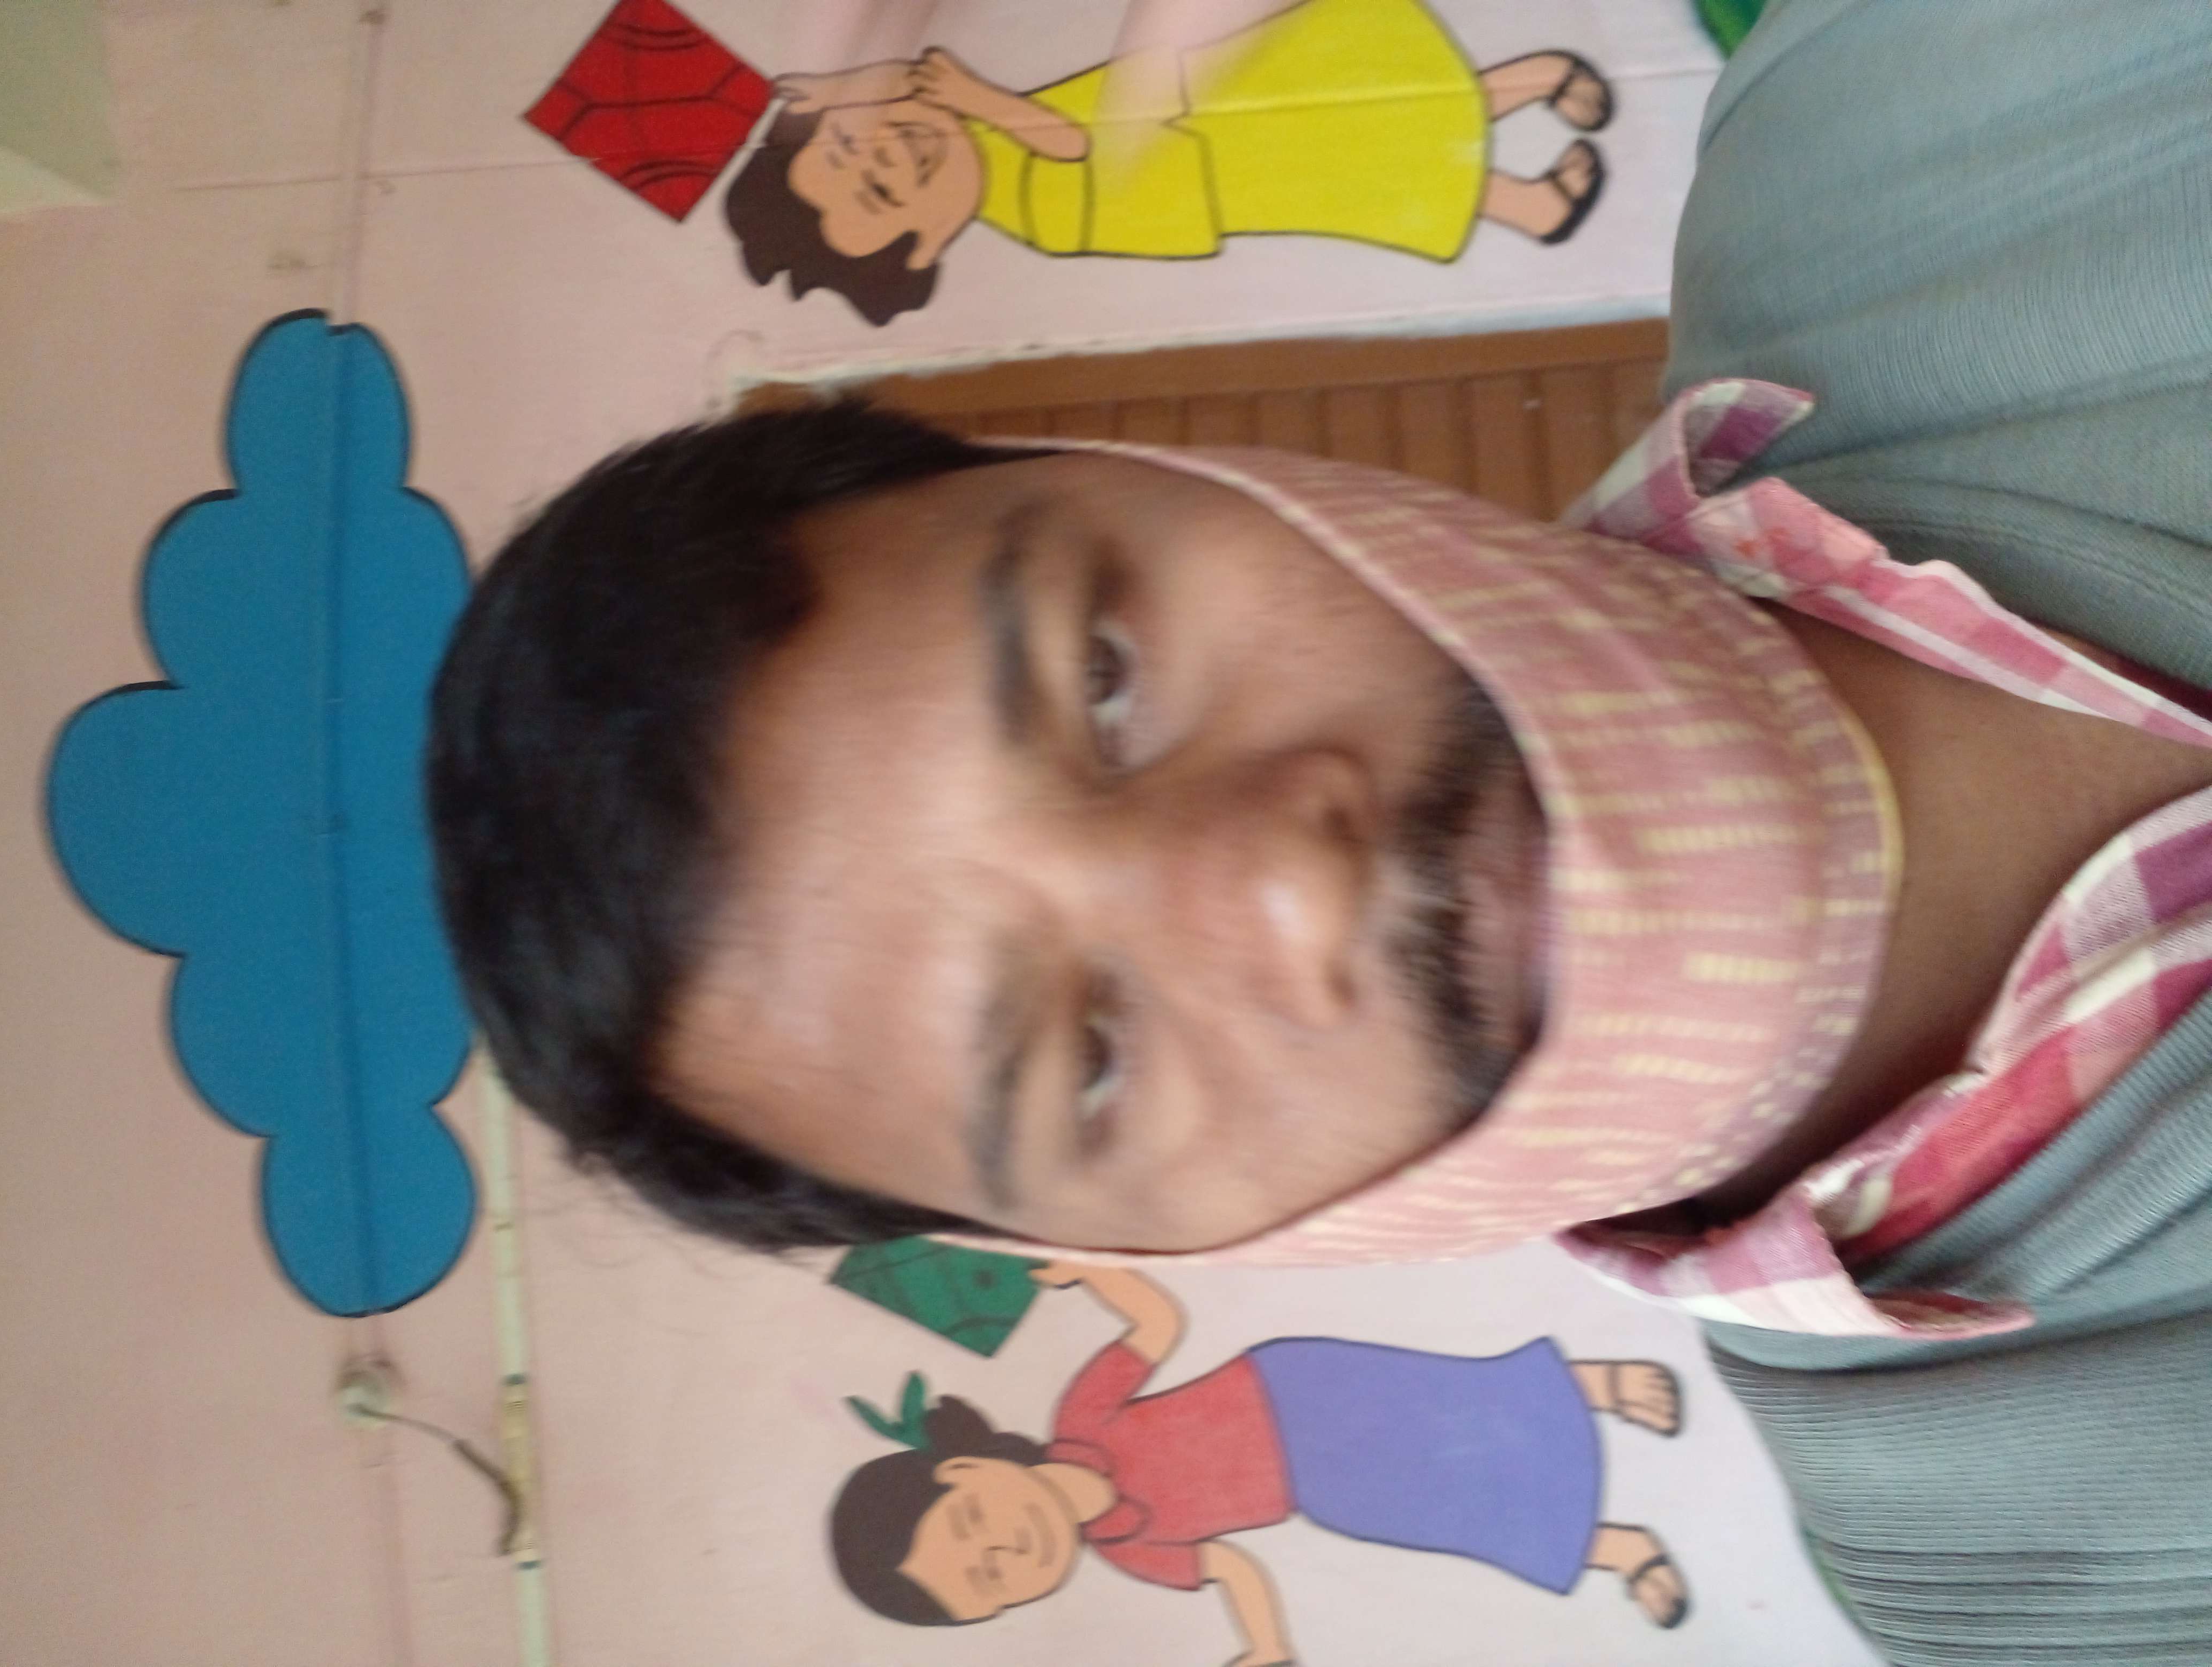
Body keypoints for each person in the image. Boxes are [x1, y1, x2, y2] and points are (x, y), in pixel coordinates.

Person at [427, 1, 2212, 1658]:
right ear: (1136, 1255)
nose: (1286, 880)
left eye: (1103, 676)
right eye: (1087, 1057)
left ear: (1153, 469)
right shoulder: (2028, 1578)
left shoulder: (1909, 85)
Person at [828, 1263, 1689, 1653]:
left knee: (1453, 1407)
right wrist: (1269, 1649)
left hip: (1299, 1391)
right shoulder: (1132, 1552)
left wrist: (1089, 1271)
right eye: (990, 1578)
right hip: (1323, 1486)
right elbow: (1233, 1568)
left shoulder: (1081, 1419)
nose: (1006, 1547)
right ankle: (1621, 1549)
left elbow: (1156, 1326)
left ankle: (1599, 1385)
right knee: (1456, 1514)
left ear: (968, 1470)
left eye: (973, 1524)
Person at [724, 0, 1611, 325]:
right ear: (922, 247)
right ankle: (1525, 195)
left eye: (855, 143)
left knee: (1378, 91)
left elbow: (888, 75)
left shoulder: (944, 124)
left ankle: (1533, 90)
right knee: (1373, 144)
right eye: (881, 185)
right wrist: (978, 97)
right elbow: (1075, 146)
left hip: (1194, 113)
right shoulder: (1022, 201)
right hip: (1214, 153)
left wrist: (844, 89)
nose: (888, 148)